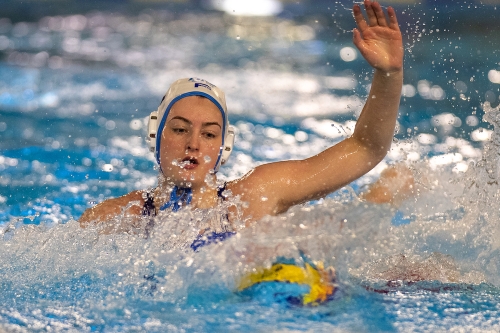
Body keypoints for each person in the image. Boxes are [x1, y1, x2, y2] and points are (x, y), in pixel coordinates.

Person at [80, 0, 405, 244]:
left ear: (225, 147)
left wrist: (388, 74)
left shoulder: (254, 196)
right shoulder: (115, 218)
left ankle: (391, 188)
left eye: (209, 134)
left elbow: (366, 148)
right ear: (155, 135)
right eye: (179, 129)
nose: (193, 143)